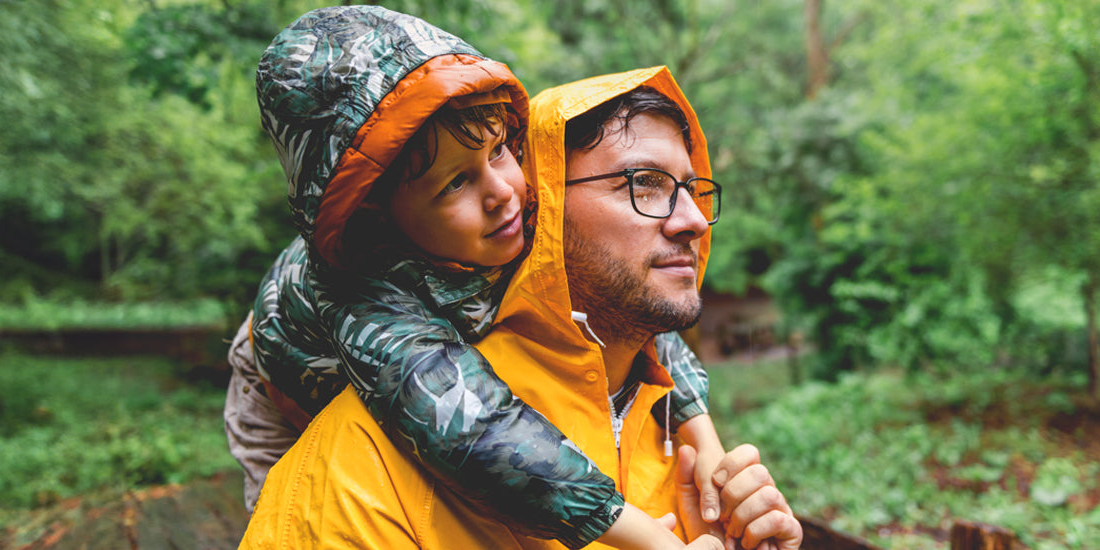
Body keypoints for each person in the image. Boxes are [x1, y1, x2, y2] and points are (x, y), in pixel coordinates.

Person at [221, 7, 725, 549]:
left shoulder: (503, 216)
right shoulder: (367, 294)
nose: (503, 190)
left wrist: (703, 438)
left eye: (501, 150)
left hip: (443, 323)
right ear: (378, 214)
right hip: (285, 384)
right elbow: (472, 425)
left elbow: (633, 307)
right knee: (309, 506)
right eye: (455, 183)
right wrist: (652, 540)